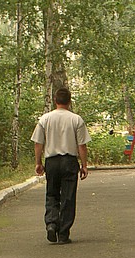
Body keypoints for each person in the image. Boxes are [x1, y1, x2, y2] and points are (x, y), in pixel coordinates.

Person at [31, 88, 91, 244]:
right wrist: (84, 165)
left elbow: (38, 142)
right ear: (70, 102)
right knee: (68, 197)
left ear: (55, 101)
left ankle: (51, 223)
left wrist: (38, 162)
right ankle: (63, 233)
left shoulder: (45, 119)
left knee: (51, 194)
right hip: (70, 161)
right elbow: (82, 145)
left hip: (51, 161)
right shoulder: (76, 119)